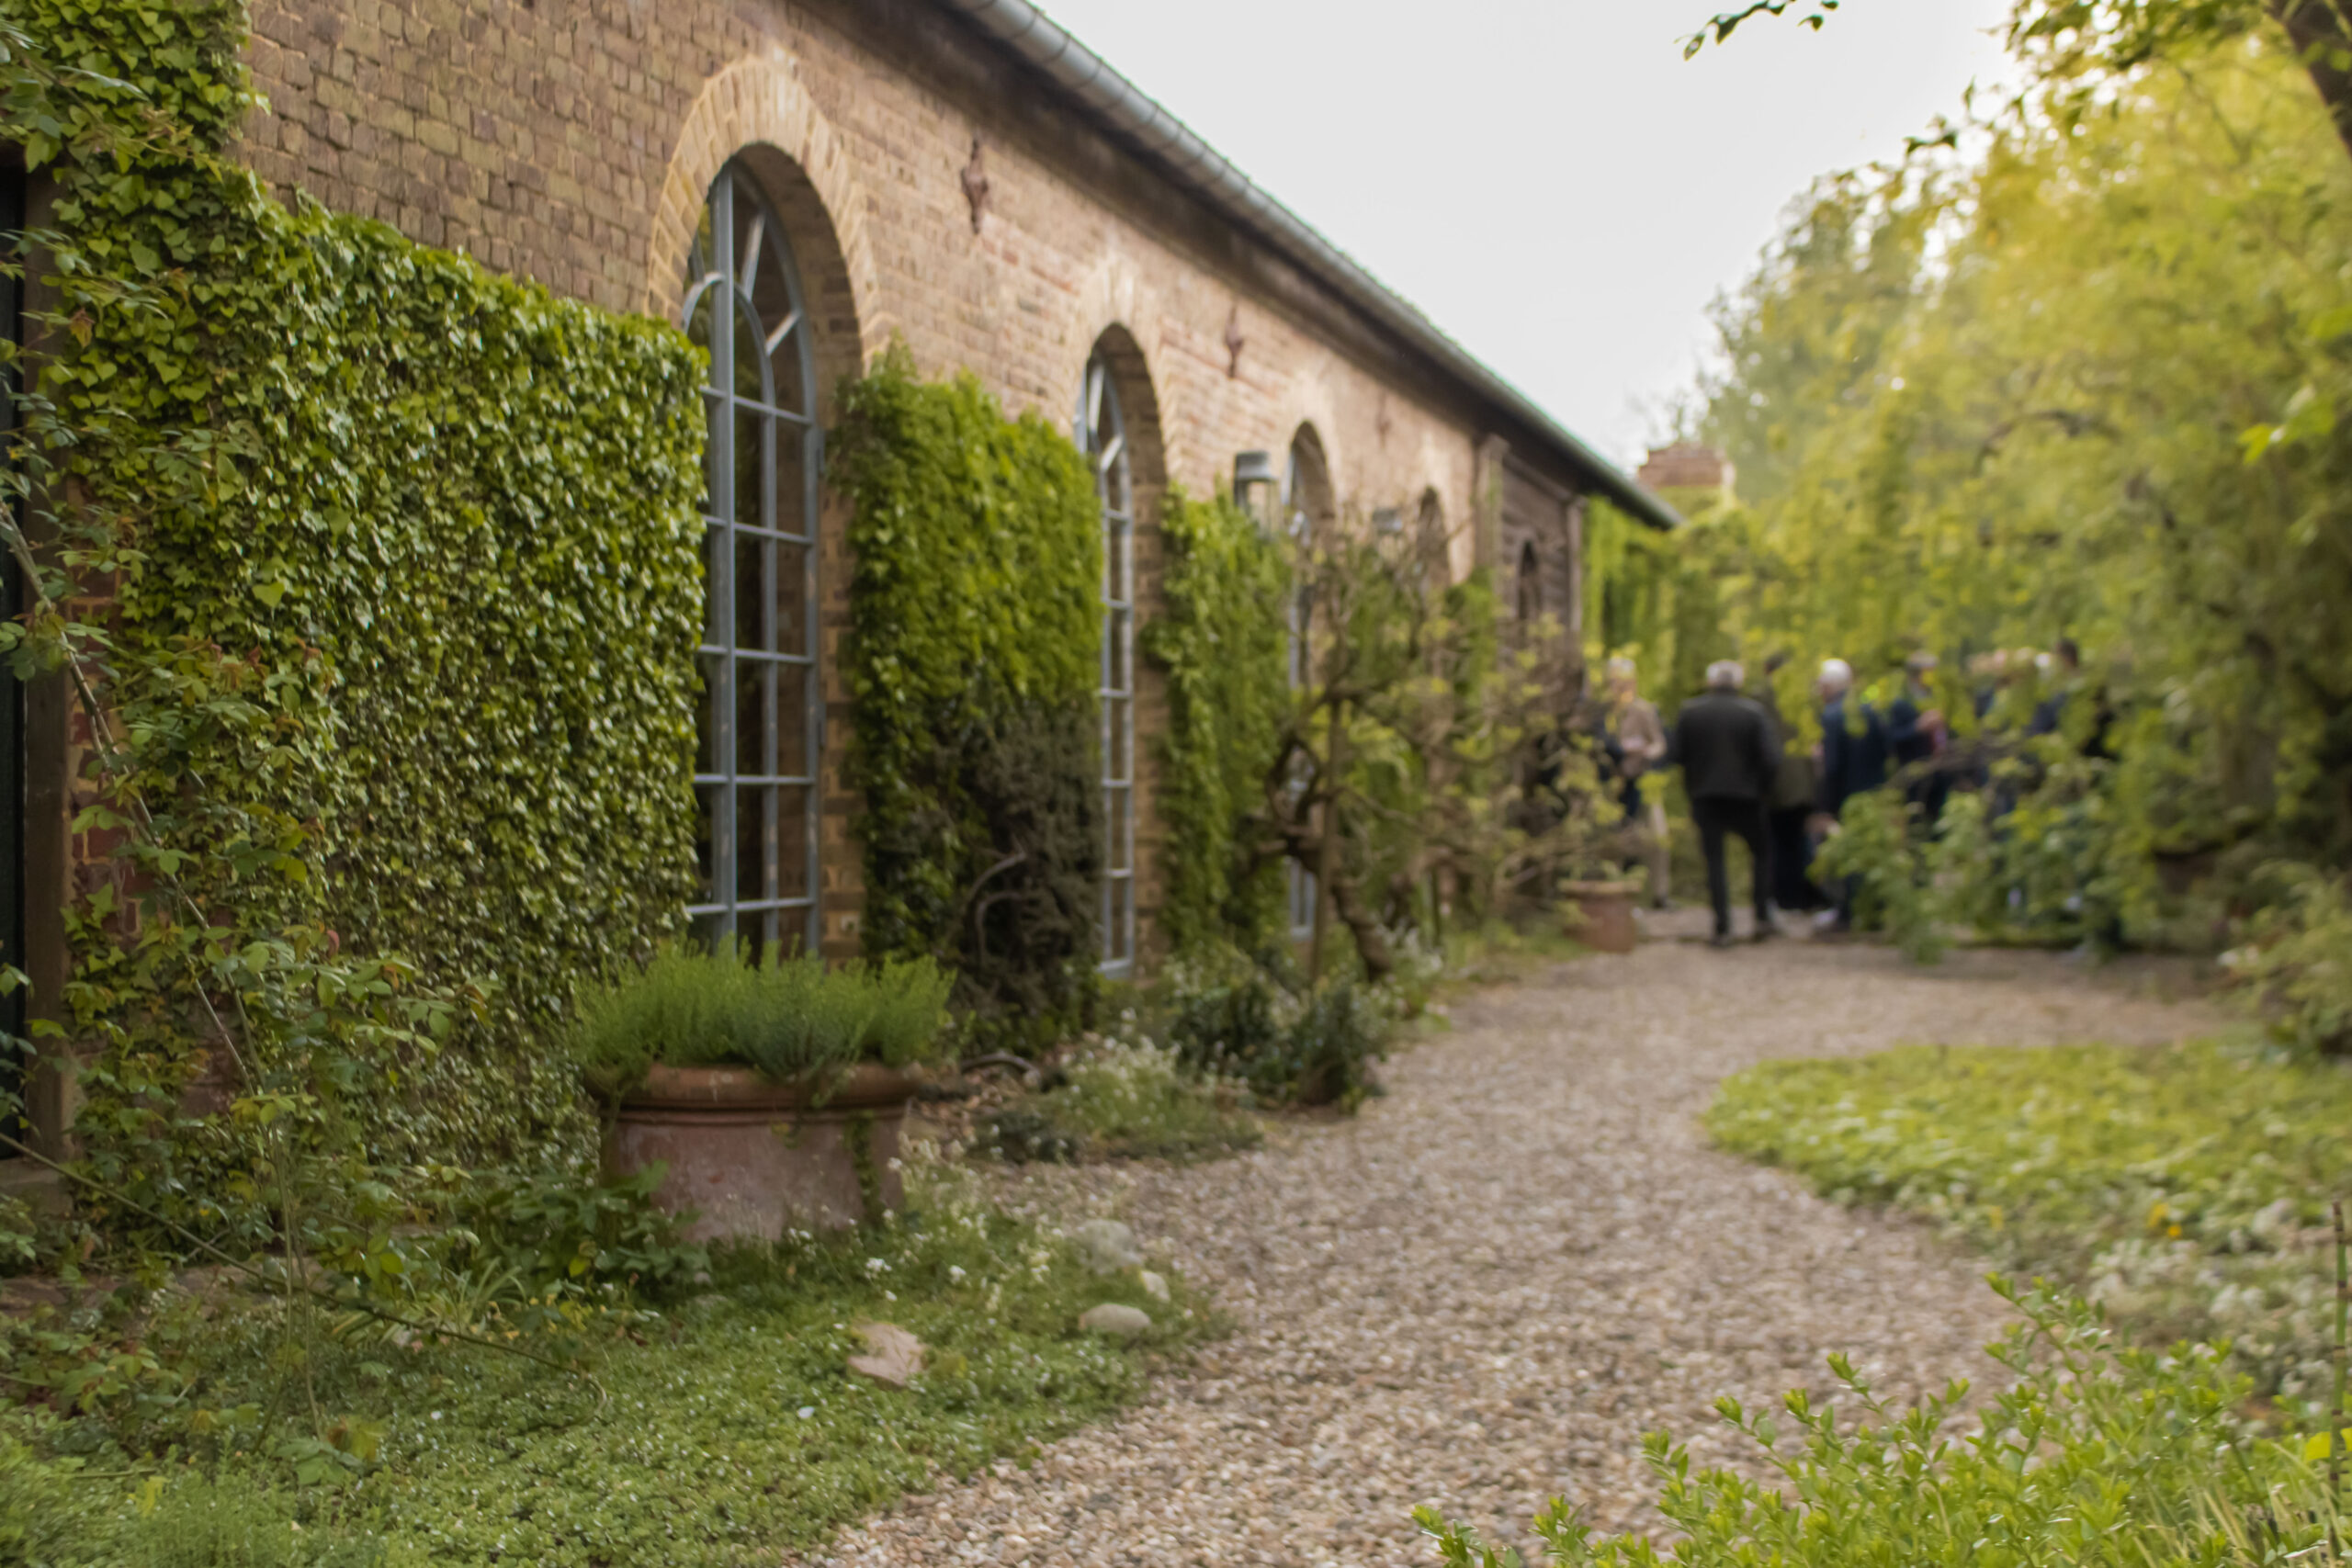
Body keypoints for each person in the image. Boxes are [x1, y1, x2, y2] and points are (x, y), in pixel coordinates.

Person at [1671, 659, 1780, 948]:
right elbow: (1770, 759)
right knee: (1761, 854)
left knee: (1714, 862)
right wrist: (1762, 790)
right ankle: (1761, 917)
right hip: (1747, 797)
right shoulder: (1753, 714)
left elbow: (1676, 753)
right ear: (1738, 683)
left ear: (1710, 682)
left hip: (1705, 796)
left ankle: (1722, 927)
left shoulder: (1691, 712)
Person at [1815, 657, 1888, 933]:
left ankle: (1847, 912)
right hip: (1873, 791)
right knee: (1870, 853)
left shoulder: (1832, 715)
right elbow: (1885, 751)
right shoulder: (1871, 710)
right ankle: (1872, 909)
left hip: (1846, 794)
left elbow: (1832, 766)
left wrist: (1825, 805)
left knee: (1846, 855)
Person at [1755, 652, 1824, 912]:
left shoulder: (1761, 696)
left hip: (1774, 782)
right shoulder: (1804, 697)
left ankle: (1785, 897)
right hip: (1803, 781)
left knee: (1779, 841)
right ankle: (1801, 895)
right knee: (1797, 839)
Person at [1602, 656, 1671, 908]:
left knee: (1656, 836)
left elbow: (1659, 743)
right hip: (1613, 783)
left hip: (1641, 780)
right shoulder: (1604, 712)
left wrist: (1644, 752)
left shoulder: (1643, 709)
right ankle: (1617, 890)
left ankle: (1660, 893)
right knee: (1616, 839)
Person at [1883, 650, 1949, 825]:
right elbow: (1892, 738)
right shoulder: (1901, 703)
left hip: (1939, 770)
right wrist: (1917, 727)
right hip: (1914, 772)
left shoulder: (1936, 697)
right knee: (1916, 819)